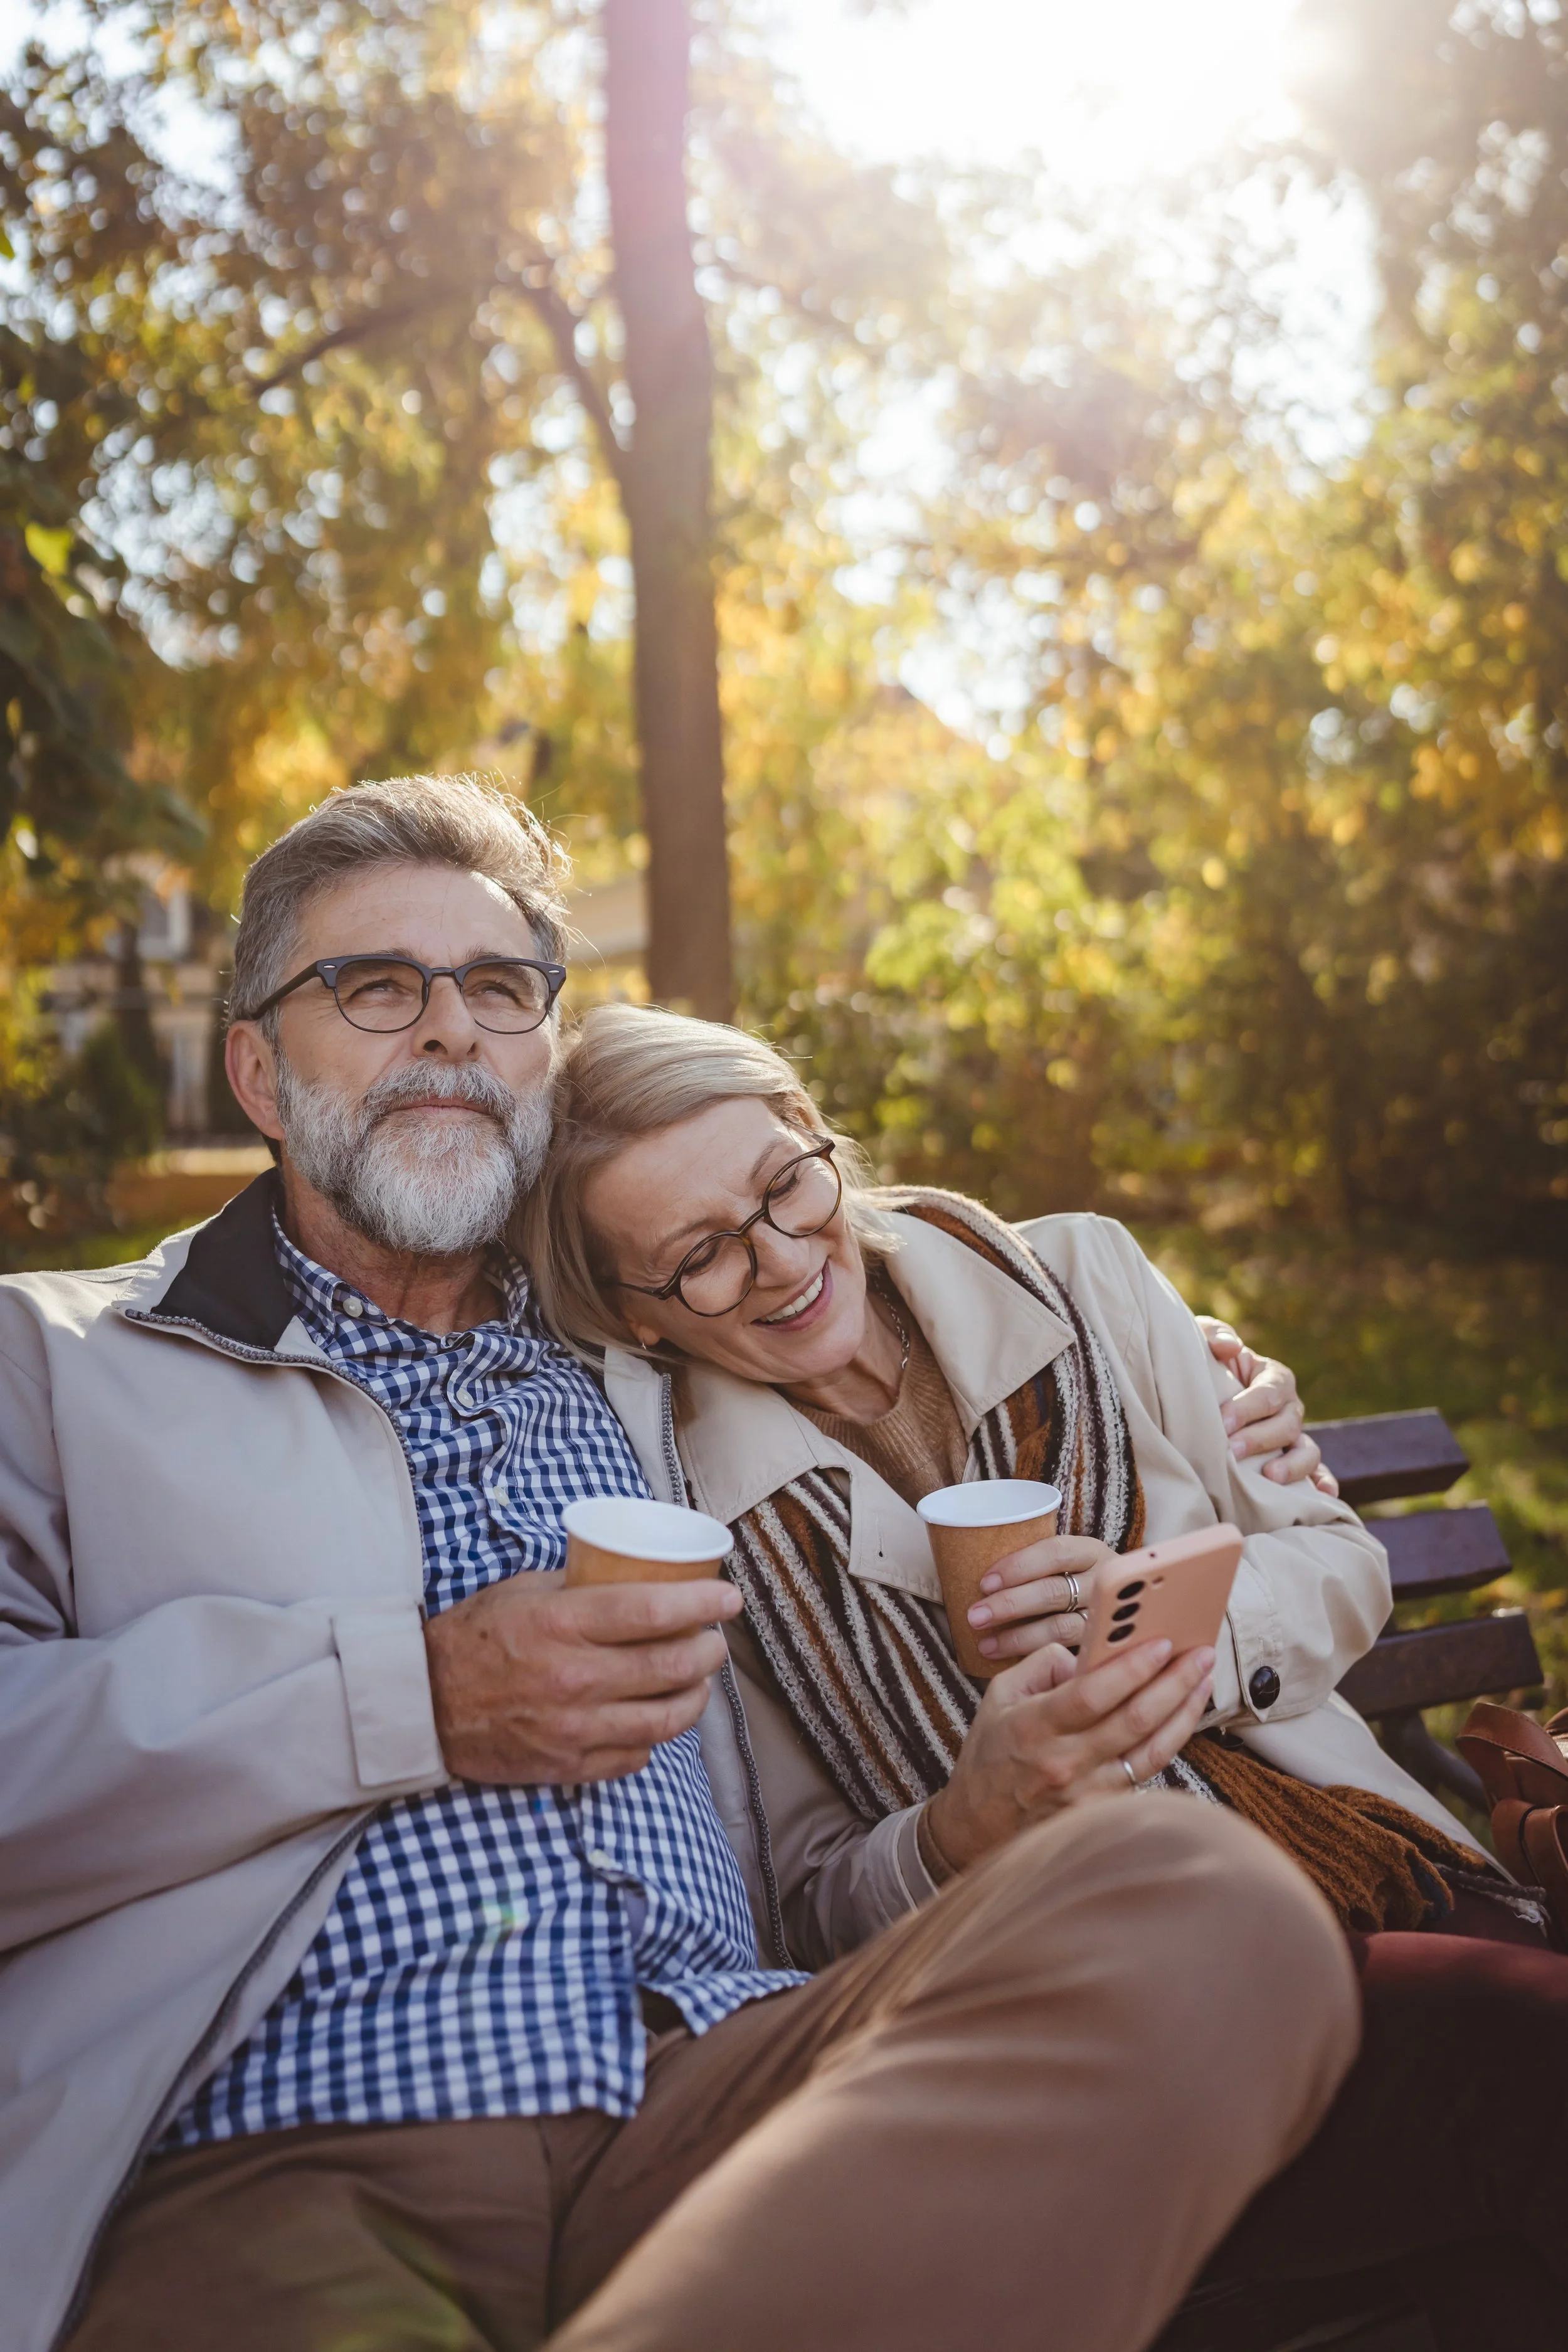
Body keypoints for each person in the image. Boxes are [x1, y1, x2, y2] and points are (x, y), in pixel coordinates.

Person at [0, 775, 1554, 2352]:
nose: (450, 1031)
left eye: (499, 988)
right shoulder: (58, 1370)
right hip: (302, 2126)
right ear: (258, 1069)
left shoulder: (641, 1384)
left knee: (1200, 1901)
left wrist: (1225, 1408)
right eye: (376, 989)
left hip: (724, 2076)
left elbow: (905, 1326)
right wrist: (414, 1692)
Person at [524, 1004, 1520, 1949]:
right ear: (632, 1314)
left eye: (785, 1184)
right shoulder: (693, 1527)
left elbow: (1342, 1565)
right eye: (704, 1254)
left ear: (810, 1128)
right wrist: (961, 1827)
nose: (783, 1260)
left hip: (1349, 1857)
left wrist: (1167, 1642)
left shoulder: (1087, 1278)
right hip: (1054, 1961)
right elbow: (802, 1901)